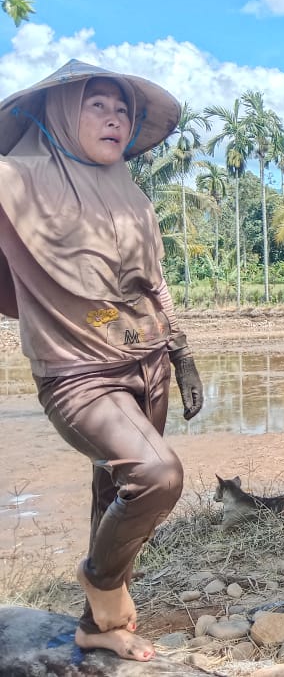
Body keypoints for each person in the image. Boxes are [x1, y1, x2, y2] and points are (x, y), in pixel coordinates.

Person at [0, 60, 204, 662]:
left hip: (148, 362)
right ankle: (102, 581)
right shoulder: (14, 179)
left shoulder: (131, 192)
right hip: (77, 370)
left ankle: (97, 626)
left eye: (123, 110)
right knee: (156, 475)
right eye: (98, 105)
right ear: (61, 112)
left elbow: (155, 283)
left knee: (112, 495)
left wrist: (182, 353)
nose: (115, 118)